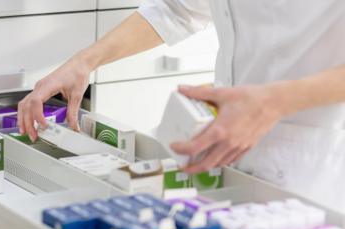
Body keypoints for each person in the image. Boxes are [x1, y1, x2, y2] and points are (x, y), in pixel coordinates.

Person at [18, 1, 345, 209]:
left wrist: (273, 102)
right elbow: (180, 9)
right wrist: (85, 61)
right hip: (227, 152)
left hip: (313, 171)